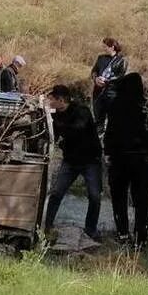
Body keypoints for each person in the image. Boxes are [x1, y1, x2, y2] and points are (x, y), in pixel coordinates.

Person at [103, 72, 148, 250]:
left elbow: (110, 133)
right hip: (144, 161)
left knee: (119, 198)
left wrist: (108, 153)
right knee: (142, 202)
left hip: (120, 159)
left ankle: (123, 234)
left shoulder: (115, 106)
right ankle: (140, 239)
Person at [44, 84, 104, 240]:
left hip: (90, 160)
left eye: (52, 100)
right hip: (71, 160)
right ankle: (46, 227)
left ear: (61, 100)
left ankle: (91, 229)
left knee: (95, 196)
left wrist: (57, 126)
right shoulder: (56, 114)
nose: (50, 103)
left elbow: (78, 129)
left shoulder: (81, 111)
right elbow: (54, 137)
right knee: (56, 193)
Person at [89, 37, 127, 126]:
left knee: (113, 119)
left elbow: (121, 76)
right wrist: (96, 79)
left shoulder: (122, 60)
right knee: (98, 118)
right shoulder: (101, 58)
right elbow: (94, 71)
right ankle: (99, 138)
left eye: (105, 47)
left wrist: (106, 81)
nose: (103, 49)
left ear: (112, 47)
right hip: (98, 92)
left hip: (112, 93)